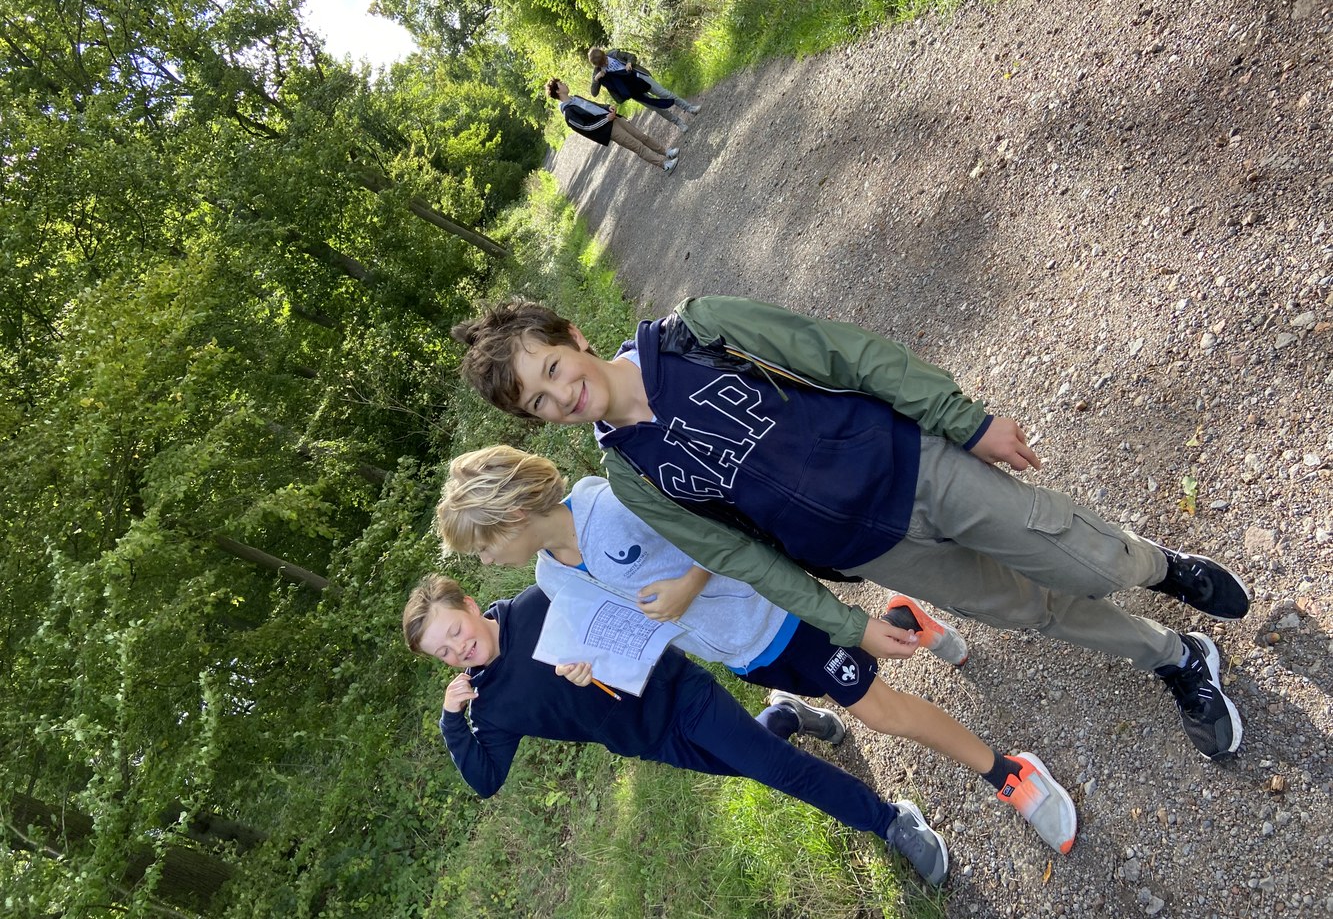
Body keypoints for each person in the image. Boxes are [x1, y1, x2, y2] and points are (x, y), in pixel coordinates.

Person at [450, 297, 1253, 761]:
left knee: (1084, 562)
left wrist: (963, 421)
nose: (560, 395)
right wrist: (847, 624)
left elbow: (843, 355)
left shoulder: (693, 332)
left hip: (917, 467)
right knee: (1030, 609)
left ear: (574, 339)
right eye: (539, 403)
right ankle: (1173, 656)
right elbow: (739, 555)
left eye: (551, 369)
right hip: (871, 550)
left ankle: (1159, 566)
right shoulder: (629, 473)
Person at [433, 445, 1079, 853]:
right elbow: (612, 627)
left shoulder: (612, 505)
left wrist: (688, 586)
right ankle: (902, 620)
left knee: (879, 711)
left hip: (777, 611)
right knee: (843, 682)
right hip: (741, 654)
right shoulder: (550, 579)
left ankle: (1007, 771)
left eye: (483, 547)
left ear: (511, 518)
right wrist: (589, 665)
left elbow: (718, 528)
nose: (485, 563)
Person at [403, 574, 951, 886]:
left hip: (678, 692)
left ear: (469, 605)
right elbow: (486, 779)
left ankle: (890, 821)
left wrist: (597, 660)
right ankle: (785, 715)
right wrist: (452, 721)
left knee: (778, 770)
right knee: (753, 763)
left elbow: (633, 612)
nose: (457, 649)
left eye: (454, 631)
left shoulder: (543, 599)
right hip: (651, 739)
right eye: (442, 652)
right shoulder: (489, 707)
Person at [545, 78, 678, 174]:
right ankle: (664, 165)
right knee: (637, 146)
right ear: (558, 91)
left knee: (642, 137)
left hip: (614, 118)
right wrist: (606, 119)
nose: (564, 84)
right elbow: (586, 128)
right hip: (608, 129)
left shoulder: (575, 98)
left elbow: (594, 105)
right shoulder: (568, 113)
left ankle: (667, 152)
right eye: (561, 84)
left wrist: (607, 107)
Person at [588, 47, 700, 132]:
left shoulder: (614, 54)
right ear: (596, 65)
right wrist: (596, 79)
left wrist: (629, 63)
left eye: (604, 60)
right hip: (633, 92)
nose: (605, 63)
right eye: (601, 64)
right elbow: (594, 93)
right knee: (656, 107)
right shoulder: (597, 72)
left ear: (604, 54)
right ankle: (679, 123)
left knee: (665, 94)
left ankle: (689, 108)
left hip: (639, 77)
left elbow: (632, 56)